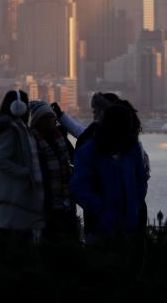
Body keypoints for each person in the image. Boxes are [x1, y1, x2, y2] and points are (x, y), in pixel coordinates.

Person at [70, 104, 148, 241]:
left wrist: (134, 206)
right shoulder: (89, 152)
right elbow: (78, 188)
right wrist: (101, 211)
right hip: (100, 230)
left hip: (130, 227)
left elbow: (141, 181)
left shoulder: (132, 150)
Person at [0, 95, 44, 264]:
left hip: (13, 201)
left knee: (9, 245)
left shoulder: (17, 129)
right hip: (12, 201)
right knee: (12, 247)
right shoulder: (12, 131)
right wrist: (26, 172)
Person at [28, 100, 80, 244]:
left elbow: (76, 158)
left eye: (52, 117)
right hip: (46, 206)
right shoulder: (31, 142)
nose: (52, 120)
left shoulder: (61, 138)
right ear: (38, 121)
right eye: (47, 117)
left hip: (66, 204)